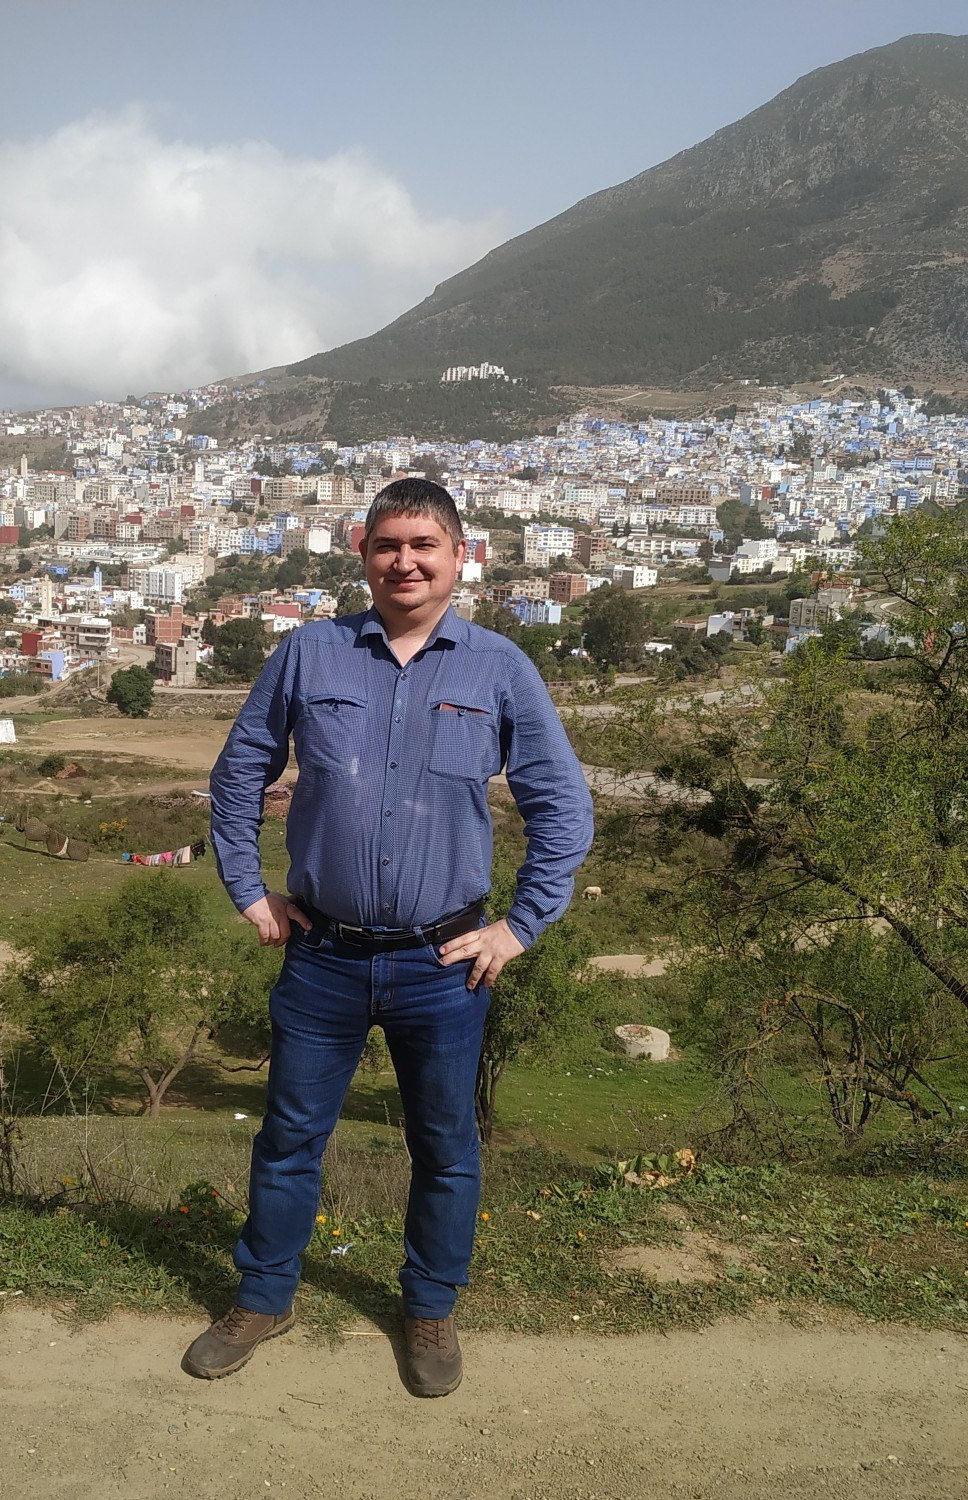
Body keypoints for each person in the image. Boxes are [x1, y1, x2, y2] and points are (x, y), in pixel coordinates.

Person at [188, 477, 593, 1396]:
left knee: (445, 1146)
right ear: (363, 557)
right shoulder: (310, 654)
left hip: (440, 964)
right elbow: (239, 771)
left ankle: (430, 1310)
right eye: (387, 546)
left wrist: (520, 928)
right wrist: (251, 892)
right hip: (322, 954)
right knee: (290, 1135)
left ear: (461, 558)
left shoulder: (498, 669)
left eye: (425, 546)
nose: (404, 562)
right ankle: (262, 1297)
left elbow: (562, 806)